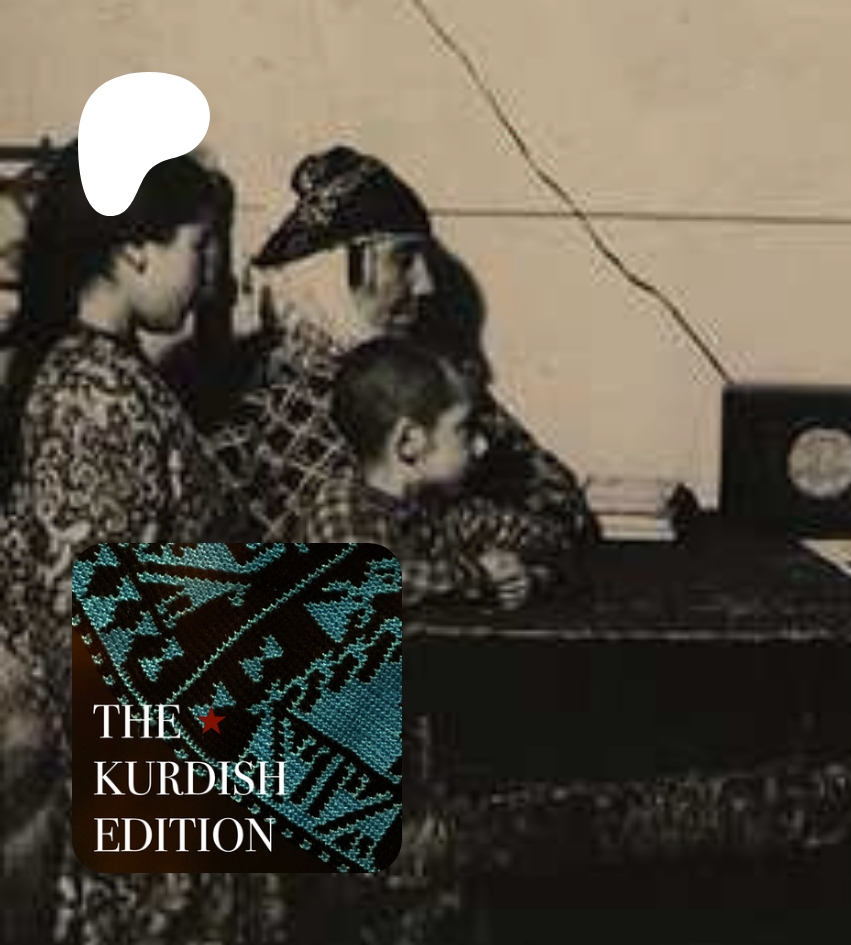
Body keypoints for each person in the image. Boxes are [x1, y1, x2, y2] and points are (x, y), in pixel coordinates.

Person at [0, 142, 279, 943]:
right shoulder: (94, 395)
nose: (215, 276)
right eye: (201, 246)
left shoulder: (95, 374)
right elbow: (87, 621)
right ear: (134, 249)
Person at [203, 145, 595, 560]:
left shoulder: (428, 378)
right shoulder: (269, 404)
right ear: (336, 270)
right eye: (404, 259)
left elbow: (560, 501)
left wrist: (518, 568)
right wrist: (481, 563)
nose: (425, 285)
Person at [298, 336, 540, 610]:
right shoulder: (339, 503)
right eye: (464, 428)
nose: (481, 445)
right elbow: (363, 583)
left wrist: (520, 575)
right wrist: (478, 574)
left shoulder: (436, 505)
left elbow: (538, 536)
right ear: (409, 442)